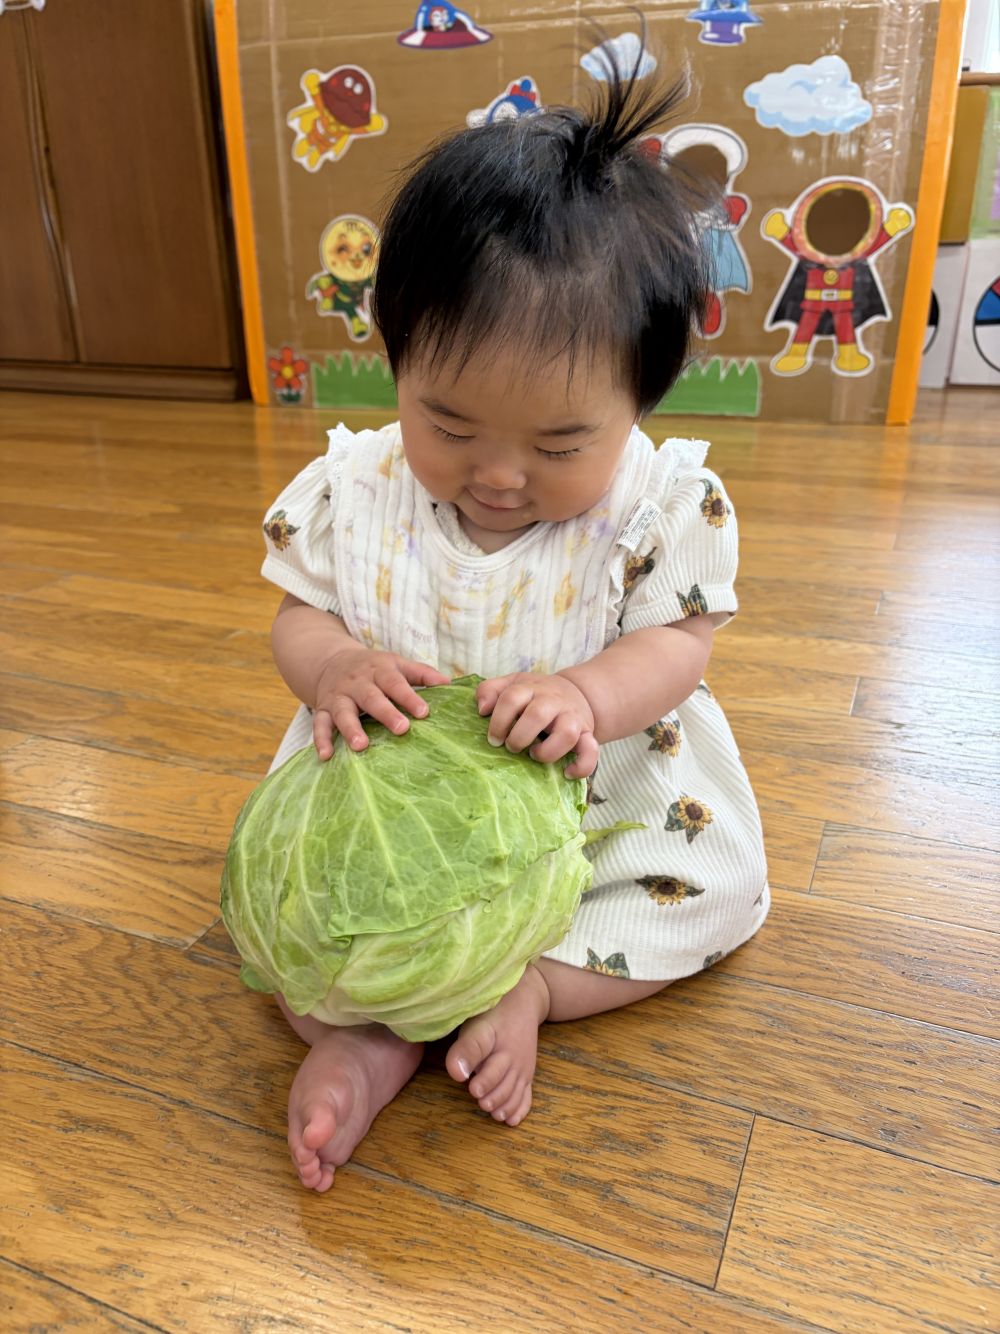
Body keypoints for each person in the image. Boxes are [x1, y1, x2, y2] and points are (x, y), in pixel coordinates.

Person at [257, 64, 769, 1192]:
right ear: (395, 356)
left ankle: (534, 978)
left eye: (556, 447)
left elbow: (680, 647)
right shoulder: (358, 485)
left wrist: (590, 692)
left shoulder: (662, 503)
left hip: (593, 785)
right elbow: (301, 613)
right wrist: (334, 661)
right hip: (399, 789)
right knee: (299, 934)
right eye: (447, 422)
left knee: (710, 888)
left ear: (641, 402)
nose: (495, 476)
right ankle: (373, 1033)